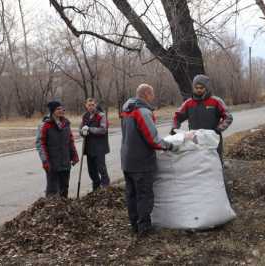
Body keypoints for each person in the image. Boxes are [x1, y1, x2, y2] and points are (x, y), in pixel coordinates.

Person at [120, 83, 177, 237]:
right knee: (144, 195)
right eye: (152, 94)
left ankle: (134, 224)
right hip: (141, 162)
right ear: (146, 94)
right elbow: (152, 139)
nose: (153, 97)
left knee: (131, 194)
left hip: (127, 160)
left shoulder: (127, 109)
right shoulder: (142, 112)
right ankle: (144, 228)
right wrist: (169, 146)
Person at [170, 74, 233, 162]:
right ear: (193, 88)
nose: (199, 90)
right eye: (196, 87)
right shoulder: (188, 103)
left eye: (201, 87)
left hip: (213, 138)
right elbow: (177, 116)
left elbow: (228, 117)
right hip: (195, 139)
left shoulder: (216, 101)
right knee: (197, 163)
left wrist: (218, 129)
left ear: (206, 88)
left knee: (215, 161)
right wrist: (174, 127)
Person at [36, 101, 79, 198]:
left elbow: (70, 141)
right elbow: (40, 144)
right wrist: (45, 161)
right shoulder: (45, 125)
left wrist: (74, 155)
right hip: (52, 163)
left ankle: (64, 210)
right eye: (58, 109)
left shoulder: (66, 123)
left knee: (64, 189)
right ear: (52, 111)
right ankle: (51, 211)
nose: (61, 111)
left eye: (62, 108)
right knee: (53, 191)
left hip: (65, 162)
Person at [79, 98, 110, 191]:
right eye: (89, 105)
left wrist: (90, 129)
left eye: (93, 104)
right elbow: (80, 129)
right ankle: (96, 189)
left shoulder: (101, 115)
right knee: (92, 171)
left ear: (95, 105)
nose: (91, 106)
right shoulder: (85, 116)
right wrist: (82, 131)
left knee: (101, 168)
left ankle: (105, 187)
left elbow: (103, 129)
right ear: (86, 106)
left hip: (99, 147)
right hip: (89, 148)